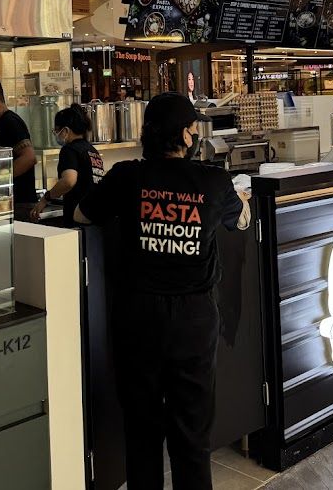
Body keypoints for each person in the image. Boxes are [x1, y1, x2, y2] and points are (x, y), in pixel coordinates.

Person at [75, 93, 250, 490]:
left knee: (141, 432)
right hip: (194, 321)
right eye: (193, 129)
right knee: (192, 434)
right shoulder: (214, 181)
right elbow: (240, 221)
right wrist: (236, 200)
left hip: (137, 319)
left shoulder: (126, 176)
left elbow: (82, 214)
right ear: (186, 136)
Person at [30, 105, 103, 224]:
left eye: (56, 131)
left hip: (78, 218)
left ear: (66, 131)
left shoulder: (69, 150)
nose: (56, 134)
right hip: (94, 218)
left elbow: (69, 181)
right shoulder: (92, 150)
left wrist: (45, 199)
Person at [0, 77, 38, 220]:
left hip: (21, 204)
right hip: (12, 202)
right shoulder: (2, 125)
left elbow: (29, 158)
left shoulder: (11, 122)